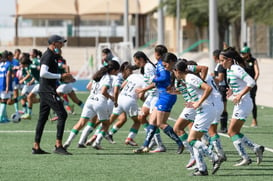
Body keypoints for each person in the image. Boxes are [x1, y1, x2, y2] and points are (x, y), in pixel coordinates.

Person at [173, 60, 223, 176]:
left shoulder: (190, 77)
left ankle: (215, 157)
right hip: (202, 110)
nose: (174, 75)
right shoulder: (188, 79)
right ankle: (202, 169)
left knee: (191, 140)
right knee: (194, 141)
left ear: (178, 71)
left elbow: (208, 88)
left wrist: (199, 102)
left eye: (174, 72)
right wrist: (193, 103)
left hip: (206, 111)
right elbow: (199, 93)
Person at [219, 47, 264, 166]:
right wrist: (232, 91)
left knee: (231, 131)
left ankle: (246, 157)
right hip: (240, 103)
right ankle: (256, 148)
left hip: (244, 103)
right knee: (234, 131)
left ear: (229, 59)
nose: (220, 63)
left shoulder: (235, 68)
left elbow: (251, 82)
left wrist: (240, 95)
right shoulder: (229, 69)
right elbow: (238, 84)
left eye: (222, 60)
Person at [32, 34, 74, 155]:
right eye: (60, 42)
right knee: (62, 114)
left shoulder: (53, 55)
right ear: (54, 43)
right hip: (47, 90)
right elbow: (43, 73)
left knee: (43, 118)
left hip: (47, 89)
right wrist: (60, 76)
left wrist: (63, 78)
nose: (62, 44)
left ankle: (36, 146)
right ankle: (58, 145)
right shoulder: (48, 55)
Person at [134, 52, 184, 154]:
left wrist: (152, 79)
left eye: (165, 65)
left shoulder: (168, 72)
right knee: (152, 122)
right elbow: (158, 79)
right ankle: (145, 145)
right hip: (162, 96)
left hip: (167, 97)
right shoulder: (162, 64)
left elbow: (162, 78)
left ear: (170, 62)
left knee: (161, 124)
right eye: (163, 64)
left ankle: (180, 143)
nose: (164, 66)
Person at [63, 60, 120, 150]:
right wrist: (111, 97)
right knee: (106, 124)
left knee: (80, 123)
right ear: (113, 70)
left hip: (90, 100)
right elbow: (103, 91)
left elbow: (89, 87)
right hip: (100, 102)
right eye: (117, 71)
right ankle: (96, 143)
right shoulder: (107, 78)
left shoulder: (97, 75)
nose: (117, 73)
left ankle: (67, 142)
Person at [133, 51, 166, 152]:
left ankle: (159, 144)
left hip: (156, 95)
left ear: (141, 59)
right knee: (141, 117)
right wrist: (143, 91)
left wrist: (143, 90)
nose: (135, 63)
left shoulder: (148, 67)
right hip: (151, 95)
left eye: (136, 60)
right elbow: (147, 81)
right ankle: (151, 138)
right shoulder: (145, 67)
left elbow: (155, 83)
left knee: (153, 121)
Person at [240, 46, 260, 127]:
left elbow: (257, 72)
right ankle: (239, 117)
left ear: (248, 53)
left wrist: (253, 82)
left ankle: (254, 119)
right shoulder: (241, 61)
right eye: (242, 53)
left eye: (244, 53)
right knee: (241, 101)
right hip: (243, 85)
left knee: (252, 101)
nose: (242, 54)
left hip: (251, 85)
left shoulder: (253, 61)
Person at [212, 49, 229, 133]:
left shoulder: (221, 66)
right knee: (220, 107)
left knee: (223, 108)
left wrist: (211, 78)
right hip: (220, 88)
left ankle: (224, 127)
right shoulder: (219, 65)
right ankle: (222, 126)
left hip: (222, 88)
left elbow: (220, 78)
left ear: (215, 57)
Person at [0, 51, 13, 123]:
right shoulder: (9, 64)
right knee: (4, 101)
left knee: (2, 101)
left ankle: (4, 117)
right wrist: (7, 86)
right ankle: (1, 118)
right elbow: (8, 76)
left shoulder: (1, 64)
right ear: (8, 57)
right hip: (4, 84)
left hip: (0, 83)